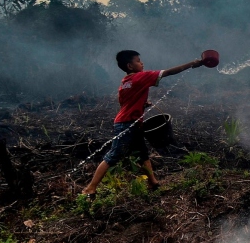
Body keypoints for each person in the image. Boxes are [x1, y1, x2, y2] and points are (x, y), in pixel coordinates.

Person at [82, 50, 204, 196]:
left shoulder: (125, 82)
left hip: (129, 122)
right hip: (127, 124)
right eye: (138, 61)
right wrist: (192, 63)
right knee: (113, 155)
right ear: (130, 65)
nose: (142, 63)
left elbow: (124, 103)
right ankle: (91, 187)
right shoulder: (141, 77)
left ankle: (152, 183)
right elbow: (168, 72)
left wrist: (142, 104)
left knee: (142, 154)